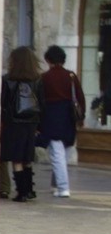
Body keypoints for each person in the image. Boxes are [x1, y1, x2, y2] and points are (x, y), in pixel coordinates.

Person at [39, 45, 85, 198]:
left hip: (51, 118)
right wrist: (81, 118)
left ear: (48, 60)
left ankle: (63, 187)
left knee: (57, 155)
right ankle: (56, 185)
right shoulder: (71, 76)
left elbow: (39, 101)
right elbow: (80, 98)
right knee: (62, 154)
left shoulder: (44, 78)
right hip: (68, 118)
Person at [0, 46, 43, 202]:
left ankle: (21, 192)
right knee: (27, 156)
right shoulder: (38, 80)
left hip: (14, 121)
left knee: (16, 157)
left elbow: (3, 102)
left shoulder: (8, 79)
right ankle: (29, 189)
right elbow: (42, 103)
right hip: (32, 122)